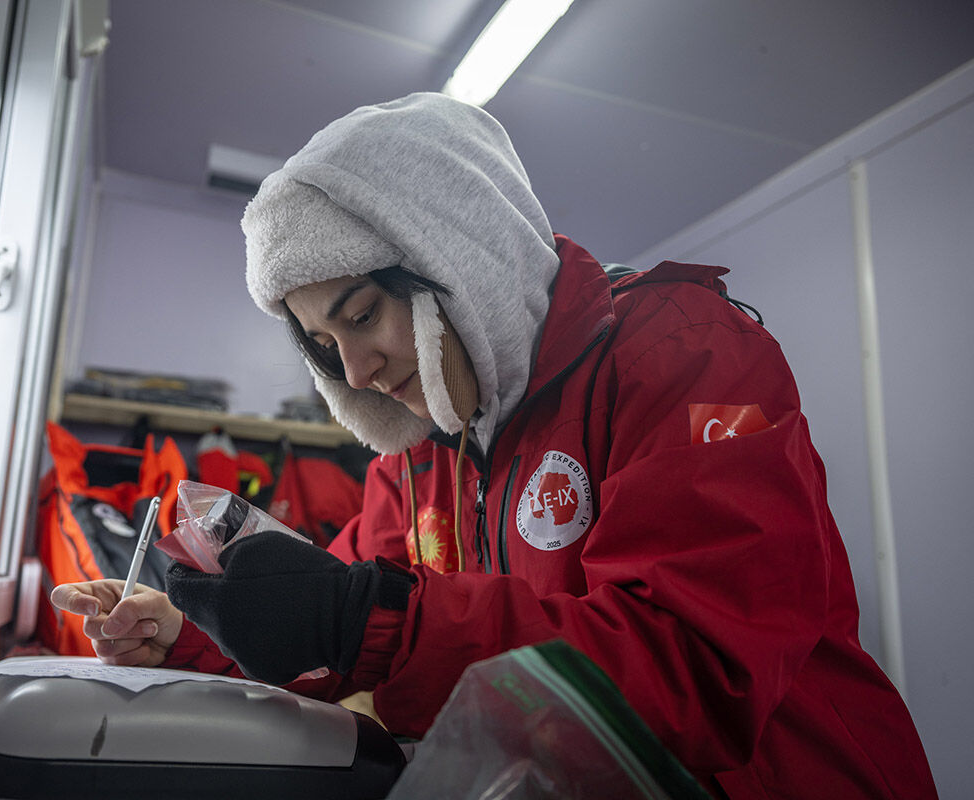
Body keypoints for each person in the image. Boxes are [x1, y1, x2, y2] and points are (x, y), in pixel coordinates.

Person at [51, 92, 936, 797]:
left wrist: (374, 624)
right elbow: (345, 624)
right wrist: (191, 634)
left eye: (363, 314)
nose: (354, 369)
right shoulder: (423, 445)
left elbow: (697, 671)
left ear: (458, 260)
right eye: (325, 345)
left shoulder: (683, 351)